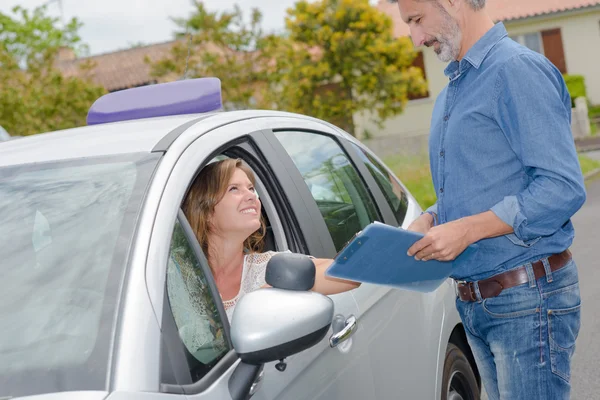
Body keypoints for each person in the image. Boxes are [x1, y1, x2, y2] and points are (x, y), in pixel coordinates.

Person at [394, 0, 586, 399]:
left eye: (416, 20)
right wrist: (432, 217)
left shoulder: (516, 70)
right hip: (477, 305)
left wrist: (467, 230)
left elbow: (562, 186)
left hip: (527, 301)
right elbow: (481, 185)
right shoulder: (453, 91)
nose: (416, 38)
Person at [182, 158, 360, 322]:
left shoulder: (268, 269)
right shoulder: (175, 274)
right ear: (204, 211)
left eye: (251, 188)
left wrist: (275, 290)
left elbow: (348, 273)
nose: (252, 196)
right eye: (233, 189)